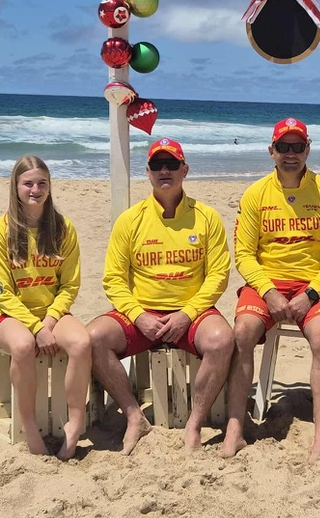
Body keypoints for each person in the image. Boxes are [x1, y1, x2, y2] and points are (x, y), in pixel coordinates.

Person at [87, 138, 234, 455]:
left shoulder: (206, 217)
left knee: (223, 339)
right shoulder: (130, 219)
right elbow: (113, 279)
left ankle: (194, 424)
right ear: (148, 172)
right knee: (94, 337)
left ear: (185, 170)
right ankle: (133, 415)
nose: (164, 170)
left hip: (191, 313)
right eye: (157, 165)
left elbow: (219, 275)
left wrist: (187, 314)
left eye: (171, 164)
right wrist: (138, 315)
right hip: (142, 313)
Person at [222, 118, 320, 462]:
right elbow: (244, 255)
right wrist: (269, 293)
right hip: (267, 285)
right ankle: (235, 429)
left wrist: (310, 294)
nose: (290, 154)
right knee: (242, 332)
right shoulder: (255, 193)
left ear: (308, 149)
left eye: (297, 147)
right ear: (271, 151)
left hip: (313, 286)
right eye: (283, 147)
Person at [0, 155, 90, 460]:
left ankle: (75, 424)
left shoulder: (63, 227)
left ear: (49, 186)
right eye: (28, 183)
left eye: (42, 183)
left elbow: (70, 285)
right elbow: (2, 292)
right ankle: (30, 427)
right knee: (22, 346)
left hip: (52, 313)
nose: (35, 189)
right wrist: (34, 328)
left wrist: (50, 320)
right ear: (16, 187)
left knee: (83, 343)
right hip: (10, 315)